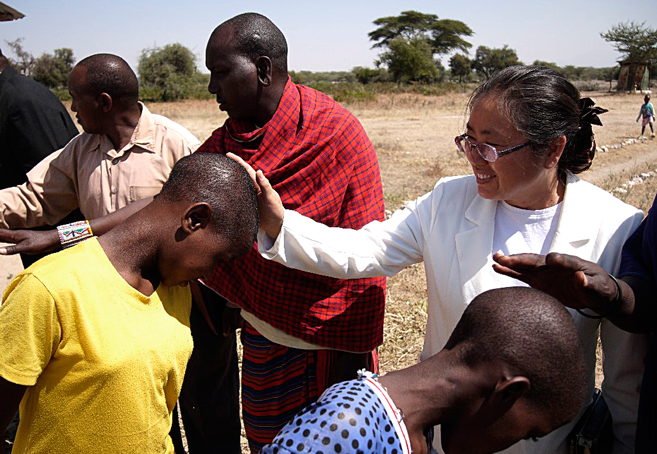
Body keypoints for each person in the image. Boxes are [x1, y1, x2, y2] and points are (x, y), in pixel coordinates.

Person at [237, 65, 647, 453]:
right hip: (449, 439)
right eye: (468, 139)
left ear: (551, 150)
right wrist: (280, 225)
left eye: (490, 145)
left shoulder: (616, 228)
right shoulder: (447, 201)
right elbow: (364, 250)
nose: (473, 156)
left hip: (549, 443)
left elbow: (624, 380)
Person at [194, 13, 387, 452]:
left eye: (220, 73)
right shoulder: (230, 141)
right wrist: (74, 235)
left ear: (262, 69)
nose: (211, 89)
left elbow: (364, 254)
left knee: (330, 441)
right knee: (268, 439)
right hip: (261, 332)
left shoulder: (334, 133)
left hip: (327, 343)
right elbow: (174, 203)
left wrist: (350, 358)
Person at [0, 152, 259, 454]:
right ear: (194, 220)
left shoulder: (175, 290)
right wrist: (63, 236)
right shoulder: (51, 288)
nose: (211, 273)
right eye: (219, 259)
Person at [260, 287, 588, 454]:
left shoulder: (416, 427)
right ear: (507, 394)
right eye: (530, 434)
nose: (517, 444)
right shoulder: (341, 430)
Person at [0, 53, 200, 240]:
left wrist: (56, 238)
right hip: (99, 275)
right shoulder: (80, 149)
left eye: (76, 97)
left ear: (104, 102)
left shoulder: (179, 146)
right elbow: (35, 198)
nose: (73, 108)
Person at [0, 48, 80, 268]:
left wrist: (57, 238)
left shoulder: (22, 101)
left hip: (55, 246)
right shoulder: (9, 94)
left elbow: (53, 189)